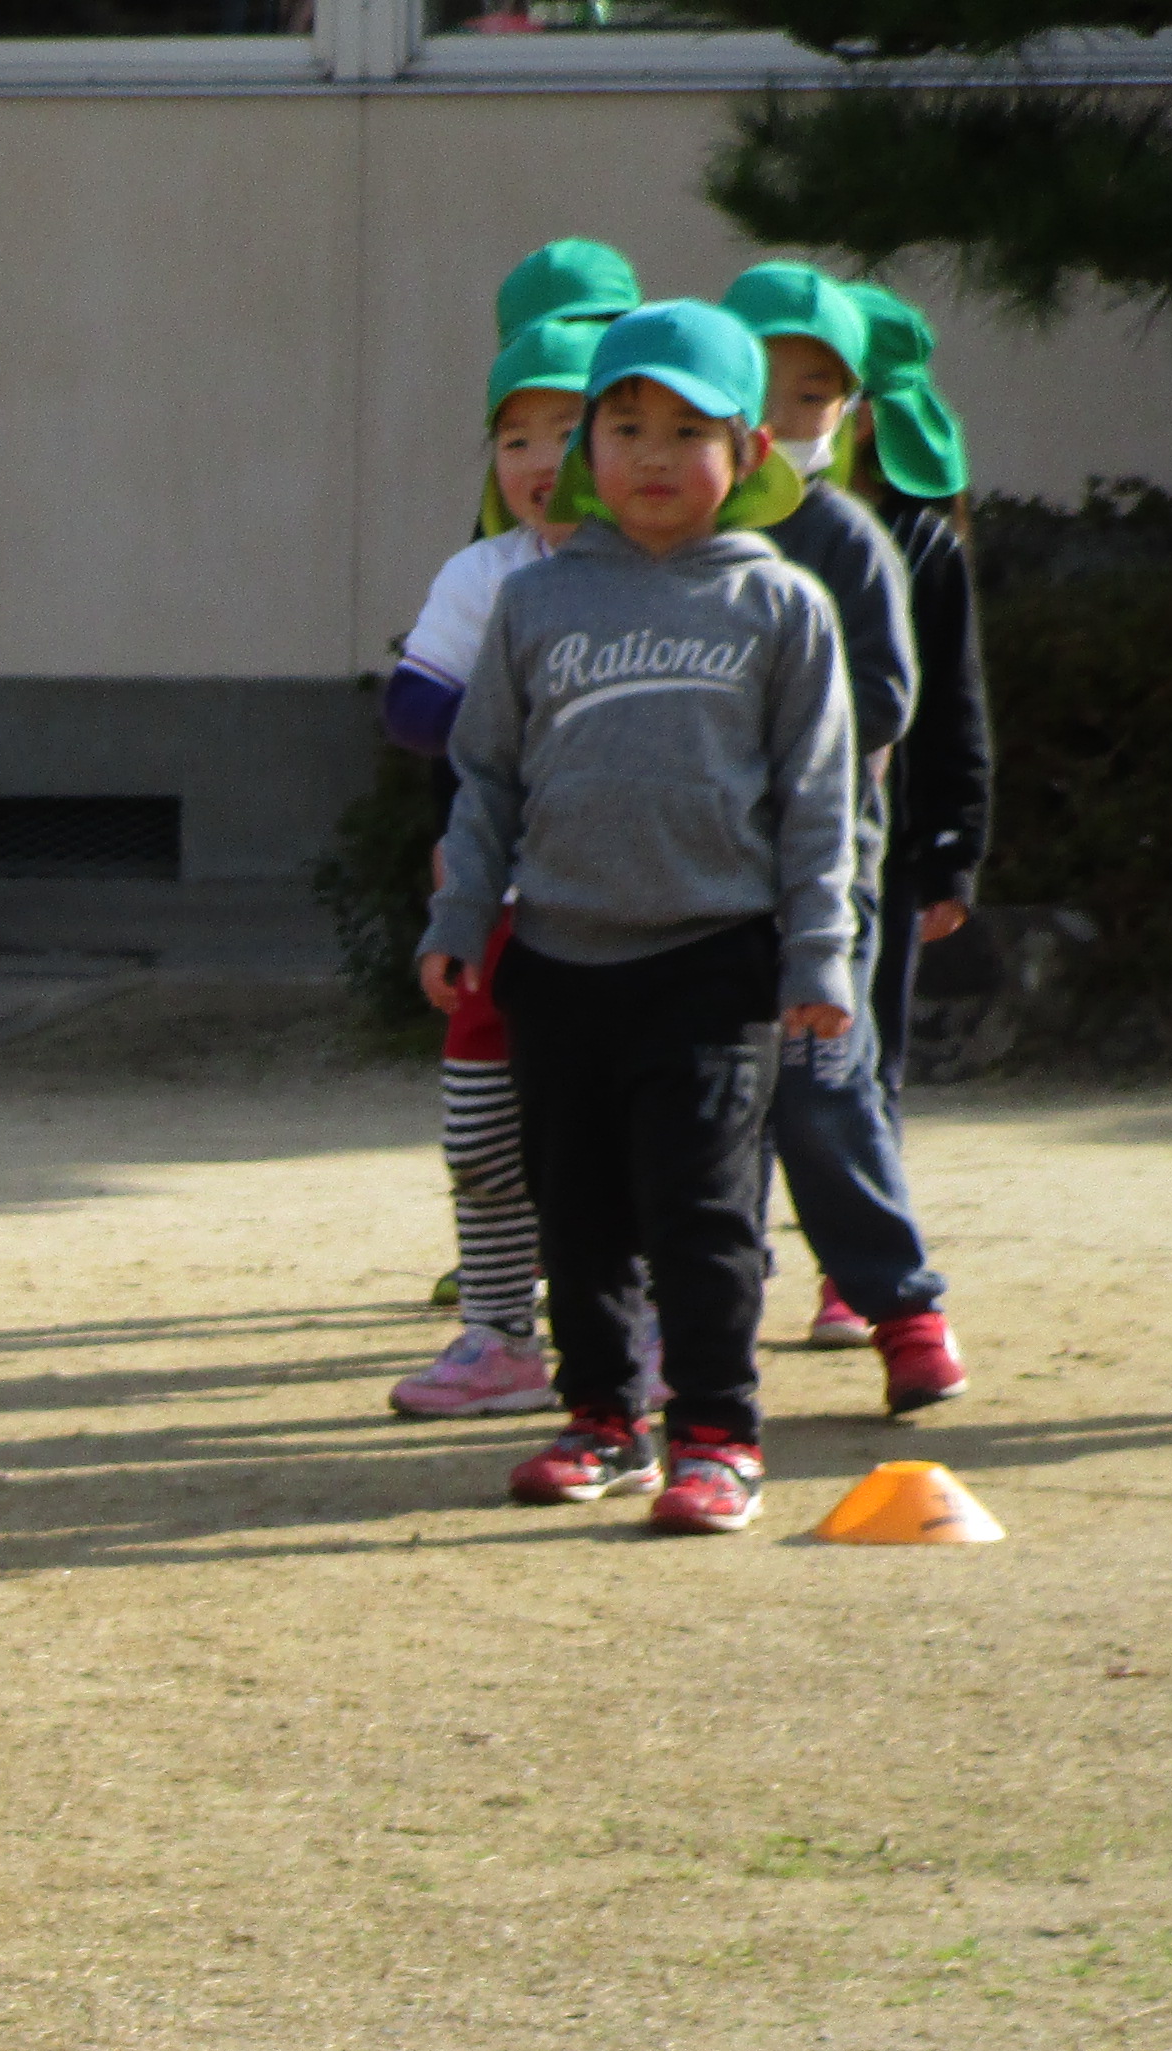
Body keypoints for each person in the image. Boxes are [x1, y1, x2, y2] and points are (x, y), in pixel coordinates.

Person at [423, 301, 859, 1539]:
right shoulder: (535, 603)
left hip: (713, 963)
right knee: (578, 1215)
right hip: (557, 957)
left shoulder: (781, 606)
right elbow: (485, 777)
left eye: (687, 431)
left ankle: (716, 1436)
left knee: (701, 1214)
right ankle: (602, 1421)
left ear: (750, 452)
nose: (653, 456)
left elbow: (818, 799)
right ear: (584, 453)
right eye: (624, 428)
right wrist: (459, 914)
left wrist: (816, 952)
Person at [722, 260, 963, 1413]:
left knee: (822, 1094)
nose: (781, 417)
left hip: (819, 880)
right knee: (697, 1111)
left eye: (812, 395)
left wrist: (742, 747)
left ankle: (903, 1309)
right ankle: (694, 1329)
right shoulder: (661, 535)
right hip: (685, 885)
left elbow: (884, 698)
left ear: (852, 414)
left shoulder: (847, 537)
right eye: (758, 389)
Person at [375, 296, 611, 1422]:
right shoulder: (484, 576)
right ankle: (499, 1333)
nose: (539, 460)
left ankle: (638, 1328)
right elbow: (414, 709)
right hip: (501, 898)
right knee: (480, 1127)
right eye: (514, 439)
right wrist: (520, 703)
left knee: (611, 1130)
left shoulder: (666, 577)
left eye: (568, 431)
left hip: (626, 907)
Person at [846, 286, 992, 1122]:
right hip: (756, 843)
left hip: (883, 845)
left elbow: (951, 709)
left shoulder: (920, 546)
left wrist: (951, 851)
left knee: (866, 1064)